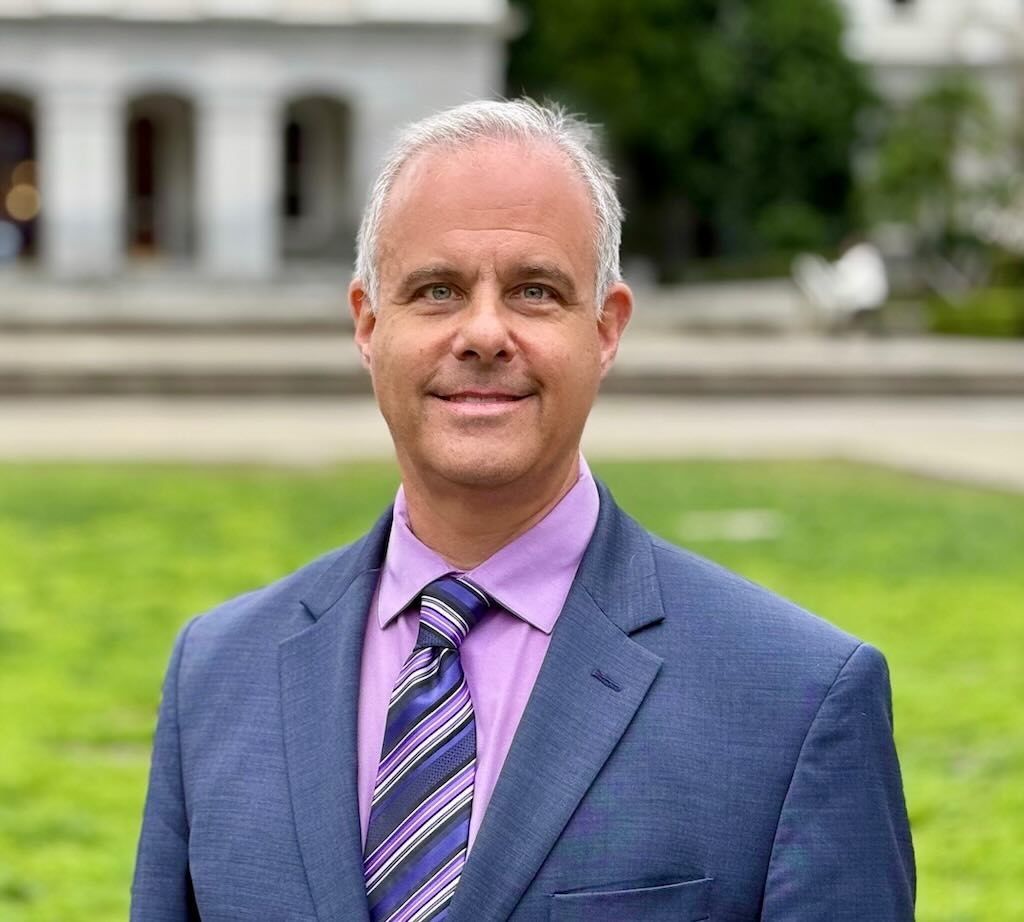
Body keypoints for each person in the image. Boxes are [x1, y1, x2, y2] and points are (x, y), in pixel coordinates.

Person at [132, 99, 915, 921]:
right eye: (436, 290)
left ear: (606, 329)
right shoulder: (216, 673)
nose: (482, 333)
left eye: (534, 292)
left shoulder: (797, 699)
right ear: (368, 325)